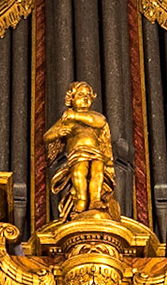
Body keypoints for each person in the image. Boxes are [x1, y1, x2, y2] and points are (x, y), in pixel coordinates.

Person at [44, 82, 118, 220]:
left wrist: (74, 116)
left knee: (97, 173)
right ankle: (81, 200)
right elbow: (47, 136)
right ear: (71, 99)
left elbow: (99, 122)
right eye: (80, 95)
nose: (85, 98)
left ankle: (95, 199)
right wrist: (59, 132)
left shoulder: (93, 116)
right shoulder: (66, 120)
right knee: (79, 173)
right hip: (77, 154)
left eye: (88, 96)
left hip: (96, 152)